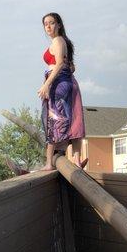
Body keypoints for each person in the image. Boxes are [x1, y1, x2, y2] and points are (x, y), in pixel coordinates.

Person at [38, 12, 86, 170]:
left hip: (58, 83)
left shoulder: (58, 41)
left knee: (54, 120)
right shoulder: (62, 41)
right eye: (46, 24)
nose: (48, 26)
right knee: (72, 120)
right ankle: (77, 160)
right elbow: (68, 66)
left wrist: (47, 84)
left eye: (52, 23)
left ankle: (48, 163)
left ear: (59, 24)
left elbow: (58, 64)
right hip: (64, 82)